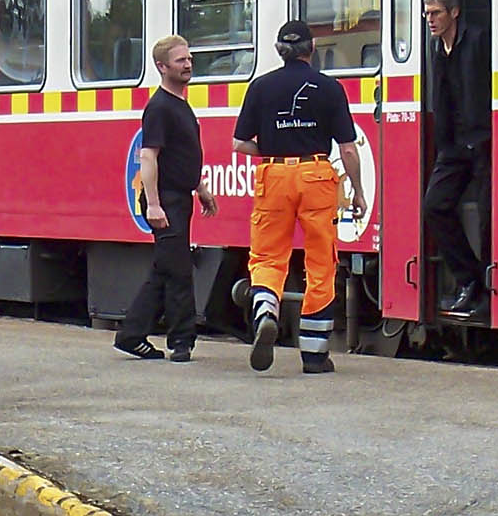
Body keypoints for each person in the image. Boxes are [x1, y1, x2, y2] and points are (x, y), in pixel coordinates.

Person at [233, 19, 364, 374]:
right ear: (311, 49)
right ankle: (315, 355)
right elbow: (348, 150)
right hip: (316, 174)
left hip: (274, 175)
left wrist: (273, 151)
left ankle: (264, 310)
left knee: (267, 256)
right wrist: (358, 192)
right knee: (321, 262)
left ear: (279, 51)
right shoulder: (330, 88)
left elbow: (239, 143)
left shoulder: (260, 87)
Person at [115, 34, 215, 362]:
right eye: (180, 60)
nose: (188, 64)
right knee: (179, 271)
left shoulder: (180, 105)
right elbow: (149, 157)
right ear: (162, 67)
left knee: (165, 268)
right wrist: (154, 204)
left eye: (188, 59)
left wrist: (199, 189)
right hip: (166, 201)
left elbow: (181, 156)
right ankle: (181, 341)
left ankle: (131, 335)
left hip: (178, 197)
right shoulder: (159, 107)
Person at [422, 0, 491, 315]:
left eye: (435, 13)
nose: (430, 20)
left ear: (455, 13)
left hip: (483, 140)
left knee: (489, 216)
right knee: (434, 206)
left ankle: (489, 290)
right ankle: (470, 279)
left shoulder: (479, 41)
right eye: (427, 14)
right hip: (453, 146)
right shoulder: (437, 49)